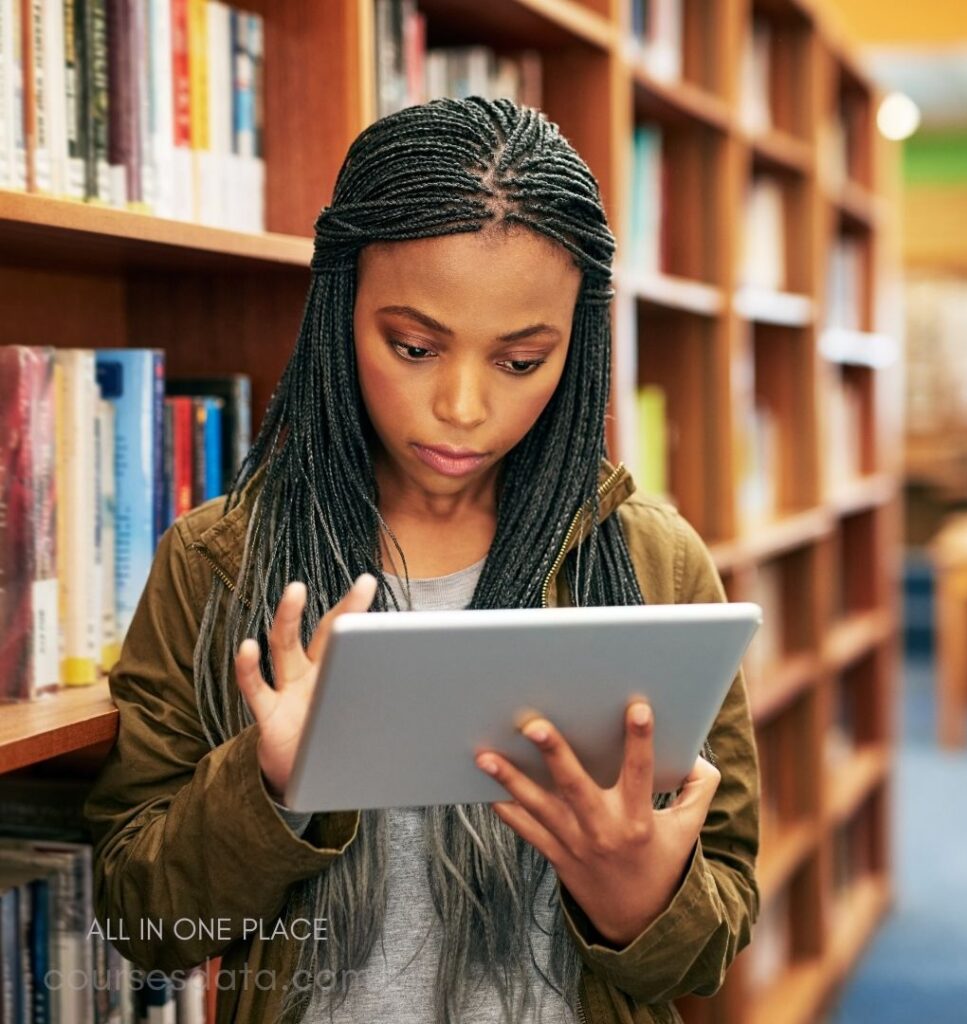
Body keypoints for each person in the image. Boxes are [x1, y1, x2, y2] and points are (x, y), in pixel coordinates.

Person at [84, 96, 760, 1024]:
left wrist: (640, 892)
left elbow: (720, 929)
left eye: (522, 360)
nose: (463, 406)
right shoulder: (216, 561)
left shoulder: (653, 559)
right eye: (413, 346)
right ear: (339, 307)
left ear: (581, 347)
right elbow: (142, 923)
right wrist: (270, 786)